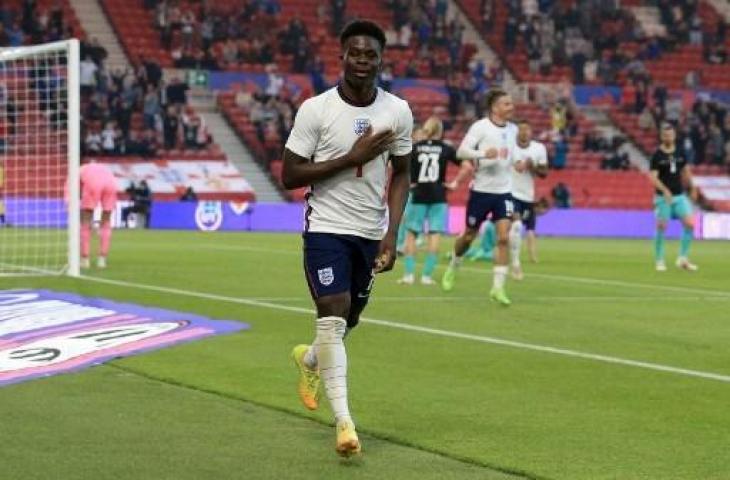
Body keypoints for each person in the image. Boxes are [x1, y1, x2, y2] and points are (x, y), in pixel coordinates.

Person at [282, 20, 413, 457]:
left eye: (370, 55)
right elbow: (290, 174)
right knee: (332, 314)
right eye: (355, 54)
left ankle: (312, 361)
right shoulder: (316, 110)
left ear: (380, 59)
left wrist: (391, 235)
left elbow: (403, 173)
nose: (362, 61)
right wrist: (349, 158)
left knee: (348, 321)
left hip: (369, 232)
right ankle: (344, 423)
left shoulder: (397, 111)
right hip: (326, 228)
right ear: (342, 56)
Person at [441, 88, 517, 306]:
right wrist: (484, 153)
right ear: (495, 107)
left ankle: (498, 288)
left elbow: (513, 153)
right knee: (468, 237)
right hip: (481, 191)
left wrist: (519, 162)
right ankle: (454, 265)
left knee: (504, 238)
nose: (511, 107)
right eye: (507, 104)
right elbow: (462, 152)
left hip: (504, 192)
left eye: (511, 104)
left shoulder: (512, 129)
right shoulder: (480, 127)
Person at [398, 116, 469, 285]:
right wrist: (454, 183)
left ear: (426, 129)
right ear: (440, 131)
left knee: (411, 235)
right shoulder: (446, 148)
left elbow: (396, 166)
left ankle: (409, 276)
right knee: (434, 235)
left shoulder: (414, 148)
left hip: (418, 194)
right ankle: (426, 277)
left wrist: (409, 182)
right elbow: (467, 166)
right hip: (438, 195)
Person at [649, 123, 698, 272]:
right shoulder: (657, 155)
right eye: (665, 135)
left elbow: (685, 170)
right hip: (663, 197)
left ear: (674, 135)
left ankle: (682, 258)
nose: (668, 137)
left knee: (690, 224)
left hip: (679, 195)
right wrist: (664, 191)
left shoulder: (680, 152)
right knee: (662, 227)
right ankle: (659, 260)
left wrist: (693, 187)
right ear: (661, 137)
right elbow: (652, 177)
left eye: (670, 134)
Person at [509, 118, 548, 280]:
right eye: (521, 129)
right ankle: (516, 265)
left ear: (531, 132)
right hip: (508, 192)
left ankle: (508, 256)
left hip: (527, 196)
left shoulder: (539, 148)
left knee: (514, 230)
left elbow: (544, 173)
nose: (523, 132)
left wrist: (532, 166)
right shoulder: (509, 147)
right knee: (517, 225)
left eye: (527, 129)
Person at [79, 161, 117, 268]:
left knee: (85, 220)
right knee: (106, 220)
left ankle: (85, 259)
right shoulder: (104, 168)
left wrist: (69, 205)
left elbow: (70, 189)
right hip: (111, 183)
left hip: (93, 183)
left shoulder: (79, 170)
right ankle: (102, 260)